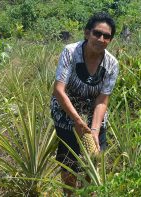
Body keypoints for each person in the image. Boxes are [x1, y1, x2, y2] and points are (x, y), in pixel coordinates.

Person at [50, 12, 119, 196]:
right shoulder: (71, 52)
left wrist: (94, 130)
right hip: (66, 108)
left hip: (93, 111)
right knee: (69, 156)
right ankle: (70, 193)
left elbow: (102, 99)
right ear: (87, 33)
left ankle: (88, 192)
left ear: (110, 40)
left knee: (94, 157)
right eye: (97, 33)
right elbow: (59, 90)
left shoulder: (112, 64)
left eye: (107, 36)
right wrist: (78, 122)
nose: (101, 39)